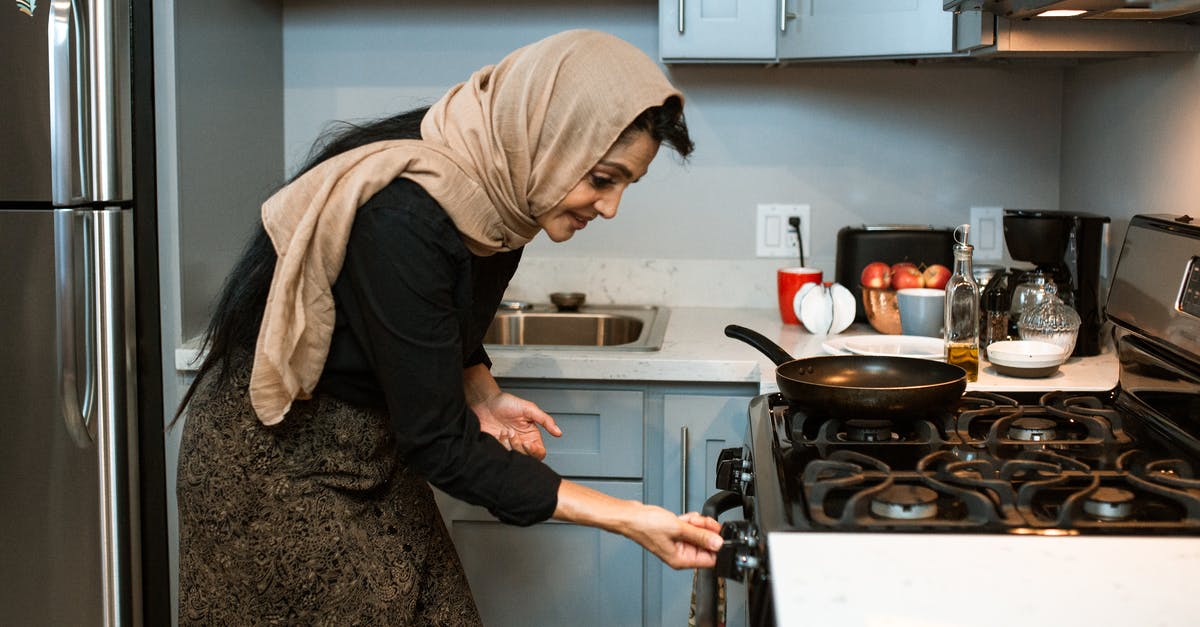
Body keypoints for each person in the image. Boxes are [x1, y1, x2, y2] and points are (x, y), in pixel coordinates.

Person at [175, 29, 722, 625]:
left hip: (373, 450)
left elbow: (442, 322)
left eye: (625, 185)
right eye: (602, 179)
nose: (610, 206)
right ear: (551, 139)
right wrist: (628, 517)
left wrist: (482, 394)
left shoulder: (506, 201)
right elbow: (440, 444)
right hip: (278, 469)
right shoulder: (405, 215)